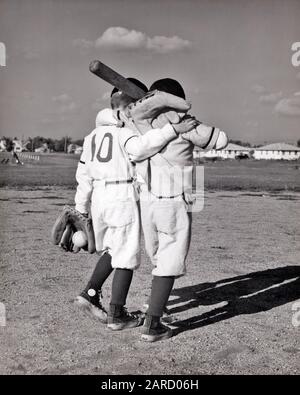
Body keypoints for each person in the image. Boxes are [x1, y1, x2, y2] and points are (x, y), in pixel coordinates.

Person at [74, 78, 199, 331]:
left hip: (99, 196)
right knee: (127, 255)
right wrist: (173, 130)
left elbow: (83, 174)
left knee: (113, 248)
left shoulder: (92, 135)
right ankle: (116, 312)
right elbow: (143, 150)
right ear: (129, 108)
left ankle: (90, 292)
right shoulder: (126, 132)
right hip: (123, 193)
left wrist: (80, 208)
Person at [138, 78, 228, 341]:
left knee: (156, 253)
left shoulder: (141, 122)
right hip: (173, 199)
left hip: (147, 199)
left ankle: (157, 303)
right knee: (171, 256)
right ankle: (152, 323)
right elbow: (221, 140)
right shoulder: (183, 122)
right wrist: (192, 121)